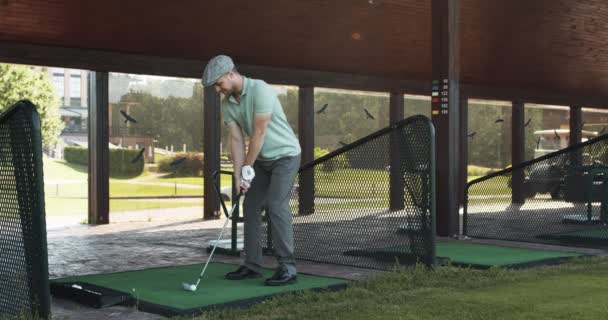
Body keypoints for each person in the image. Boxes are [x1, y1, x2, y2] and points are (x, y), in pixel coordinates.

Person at [202, 55, 301, 286]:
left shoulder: (261, 90)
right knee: (250, 204)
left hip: (285, 156)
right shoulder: (228, 104)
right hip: (262, 160)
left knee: (276, 205)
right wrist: (238, 175)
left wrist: (247, 167)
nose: (218, 90)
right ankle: (252, 265)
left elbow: (259, 133)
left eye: (219, 84)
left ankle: (288, 268)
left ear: (231, 73)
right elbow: (236, 140)